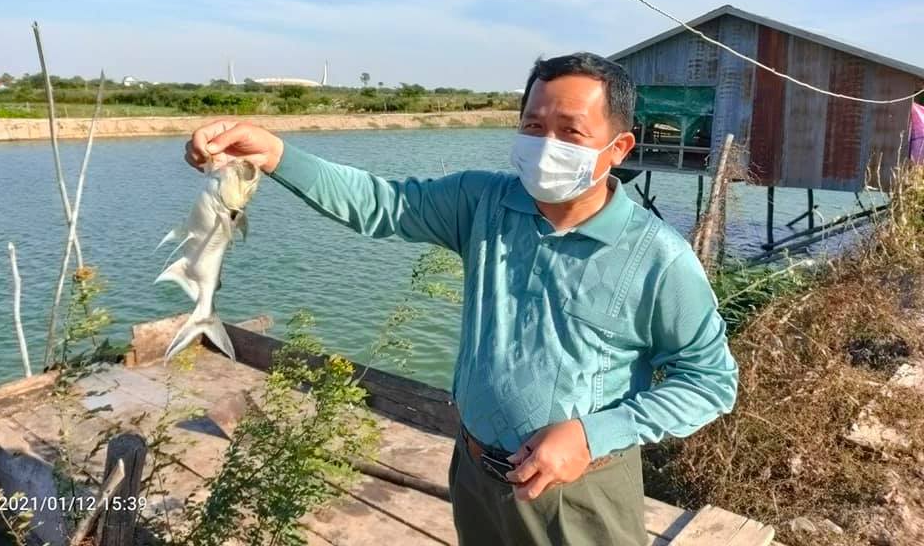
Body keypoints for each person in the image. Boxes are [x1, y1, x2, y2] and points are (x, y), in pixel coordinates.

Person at [184, 52, 739, 546]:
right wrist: (276, 154)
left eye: (570, 132)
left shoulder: (658, 257)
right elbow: (380, 204)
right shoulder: (483, 203)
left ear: (618, 148)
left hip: (578, 493)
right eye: (533, 126)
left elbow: (710, 381)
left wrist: (593, 435)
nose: (547, 145)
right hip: (474, 471)